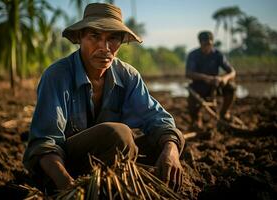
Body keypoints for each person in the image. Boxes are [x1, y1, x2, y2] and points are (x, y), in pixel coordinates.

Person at [23, 3, 185, 193]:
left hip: (108, 161)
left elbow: (158, 119)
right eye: (95, 36)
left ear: (121, 41)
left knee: (169, 140)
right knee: (120, 135)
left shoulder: (128, 75)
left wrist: (171, 152)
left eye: (113, 38)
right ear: (80, 38)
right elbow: (45, 144)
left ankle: (118, 184)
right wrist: (68, 187)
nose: (105, 47)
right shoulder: (57, 76)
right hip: (62, 167)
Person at [186, 31, 236, 130]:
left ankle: (224, 112)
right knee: (192, 96)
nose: (207, 47)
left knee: (231, 87)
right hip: (199, 85)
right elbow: (189, 73)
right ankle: (196, 119)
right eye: (205, 44)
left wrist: (224, 78)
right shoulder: (193, 55)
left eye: (209, 44)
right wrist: (206, 78)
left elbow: (232, 72)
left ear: (212, 43)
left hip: (216, 85)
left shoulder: (218, 54)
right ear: (200, 43)